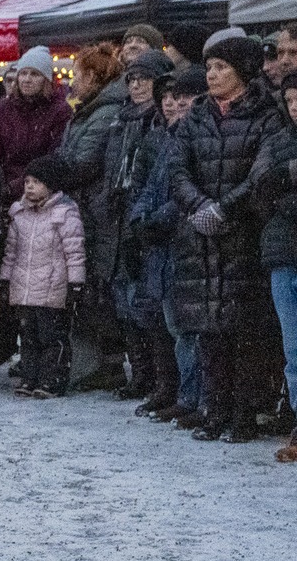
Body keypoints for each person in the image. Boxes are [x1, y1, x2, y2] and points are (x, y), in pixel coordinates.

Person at [168, 34, 277, 441]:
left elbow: (260, 175)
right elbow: (176, 171)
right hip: (199, 236)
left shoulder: (266, 115)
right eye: (209, 67)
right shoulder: (195, 117)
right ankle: (215, 410)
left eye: (221, 68)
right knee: (209, 330)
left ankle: (243, 415)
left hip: (243, 235)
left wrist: (224, 209)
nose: (212, 75)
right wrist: (198, 208)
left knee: (244, 330)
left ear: (243, 72)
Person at [129, 67, 208, 425]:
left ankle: (197, 398)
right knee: (172, 327)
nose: (175, 103)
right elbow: (148, 185)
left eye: (183, 97)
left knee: (190, 330)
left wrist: (158, 217)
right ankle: (182, 394)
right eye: (171, 98)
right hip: (162, 245)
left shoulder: (196, 135)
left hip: (186, 241)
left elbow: (186, 189)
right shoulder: (166, 137)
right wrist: (141, 217)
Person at [103, 51, 180, 406]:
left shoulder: (160, 124)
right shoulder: (122, 119)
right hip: (122, 215)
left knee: (148, 302)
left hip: (149, 220)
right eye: (131, 79)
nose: (136, 85)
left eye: (143, 79)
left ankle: (160, 380)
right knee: (126, 299)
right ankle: (143, 374)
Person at [53, 42, 130, 386]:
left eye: (78, 75)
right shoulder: (91, 109)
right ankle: (98, 365)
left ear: (94, 77)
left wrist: (50, 172)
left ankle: (102, 367)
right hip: (87, 209)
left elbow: (82, 162)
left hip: (95, 211)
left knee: (94, 293)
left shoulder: (103, 112)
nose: (72, 82)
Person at [0, 156, 87, 398]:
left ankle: (53, 378)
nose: (29, 186)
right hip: (25, 287)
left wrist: (76, 283)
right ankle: (30, 377)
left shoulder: (64, 214)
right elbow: (11, 252)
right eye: (27, 181)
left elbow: (75, 252)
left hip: (52, 287)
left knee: (52, 336)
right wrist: (5, 280)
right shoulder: (19, 213)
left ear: (50, 185)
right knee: (28, 336)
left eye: (36, 182)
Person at [252, 72, 297, 461]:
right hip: (284, 252)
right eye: (291, 98)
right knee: (294, 349)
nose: (295, 105)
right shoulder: (278, 141)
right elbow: (260, 189)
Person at [0, 47, 72, 198]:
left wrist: (19, 186)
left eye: (35, 74)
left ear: (46, 80)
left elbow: (53, 157)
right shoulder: (1, 109)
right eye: (23, 73)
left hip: (42, 188)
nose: (27, 79)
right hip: (3, 186)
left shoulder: (60, 111)